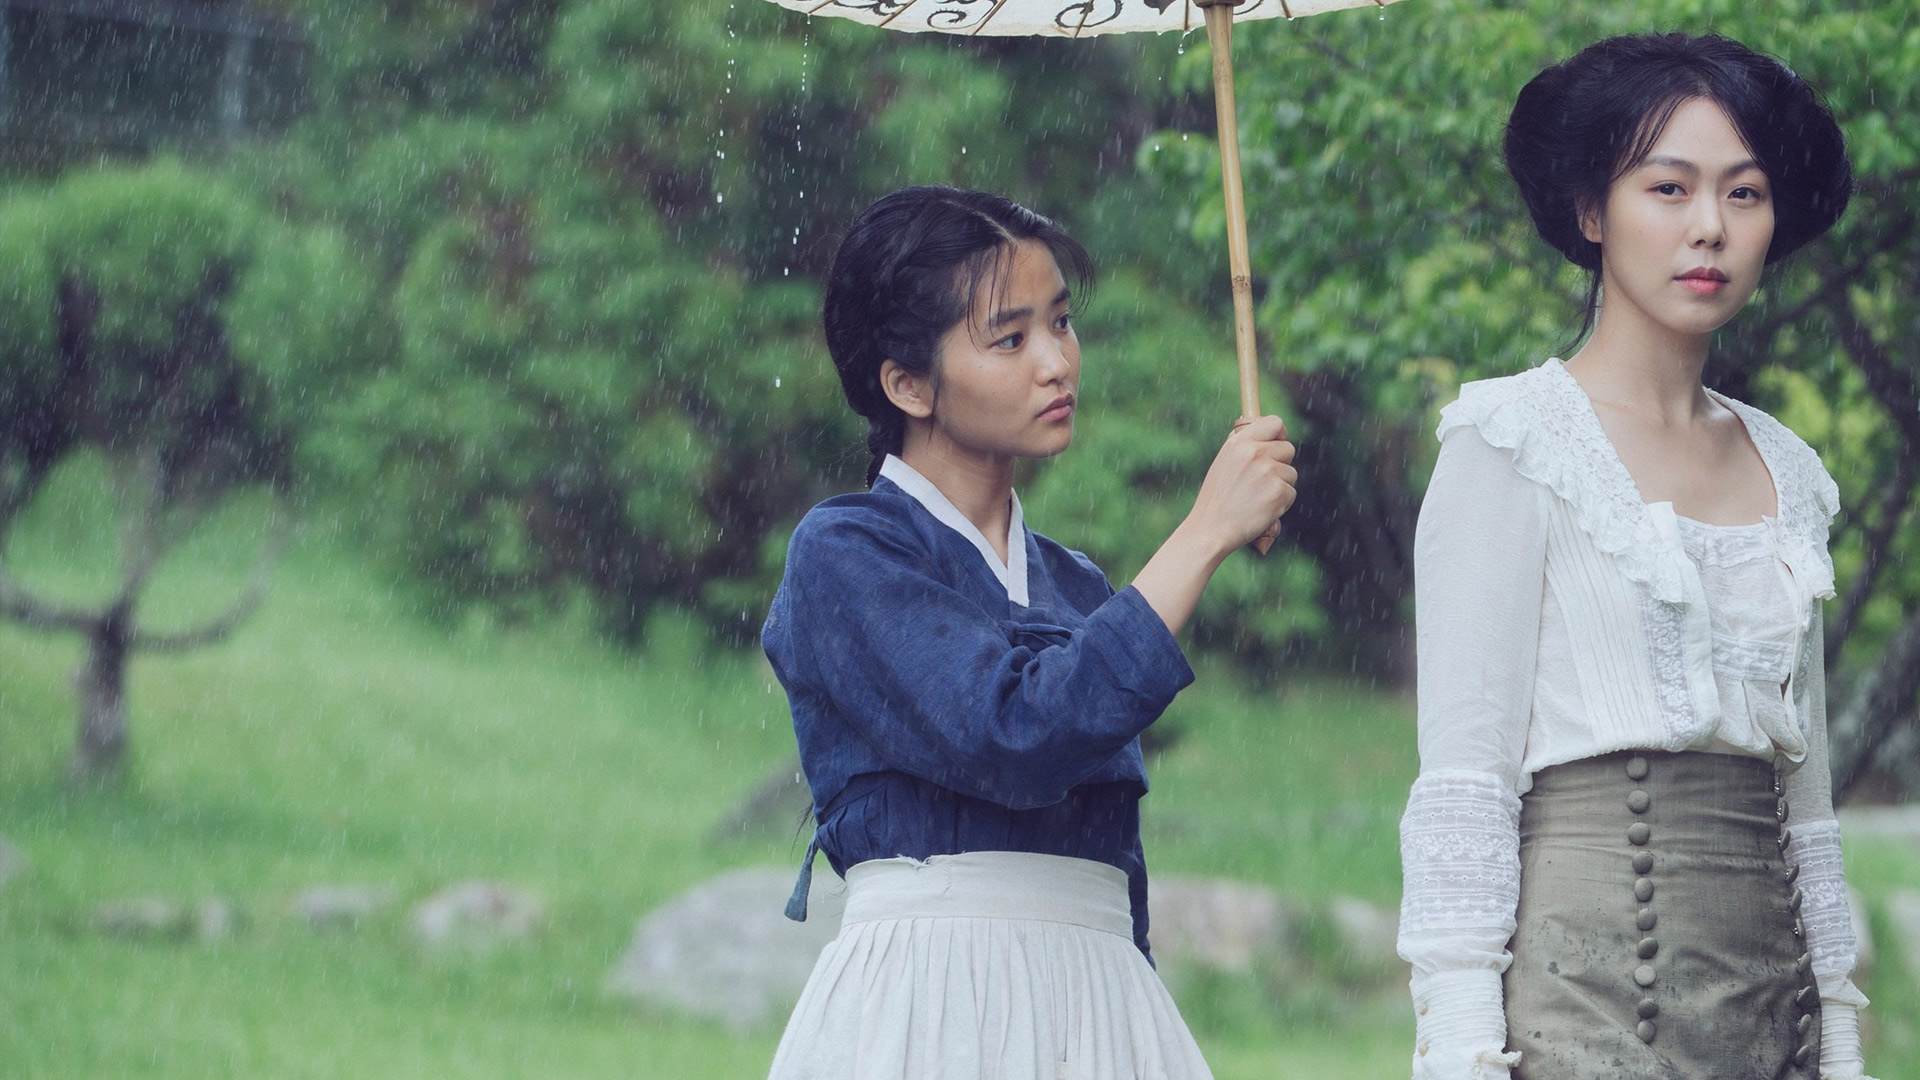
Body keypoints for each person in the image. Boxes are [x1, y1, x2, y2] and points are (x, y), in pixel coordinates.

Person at [1397, 33, 1876, 1080]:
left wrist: (1837, 1042)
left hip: (1770, 1011)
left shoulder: (1789, 469)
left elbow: (1809, 809)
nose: (1709, 228)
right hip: (1581, 1008)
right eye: (1669, 187)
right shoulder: (1512, 441)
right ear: (1589, 212)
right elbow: (1465, 786)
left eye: (1744, 195)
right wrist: (1464, 1052)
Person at [760, 185, 1297, 1079]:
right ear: (906, 383)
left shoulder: (1078, 584)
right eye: (1009, 339)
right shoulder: (846, 552)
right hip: (929, 1003)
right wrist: (1204, 532)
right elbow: (1013, 737)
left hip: (1099, 1002)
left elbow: (1116, 856)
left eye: (1062, 324)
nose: (1056, 362)